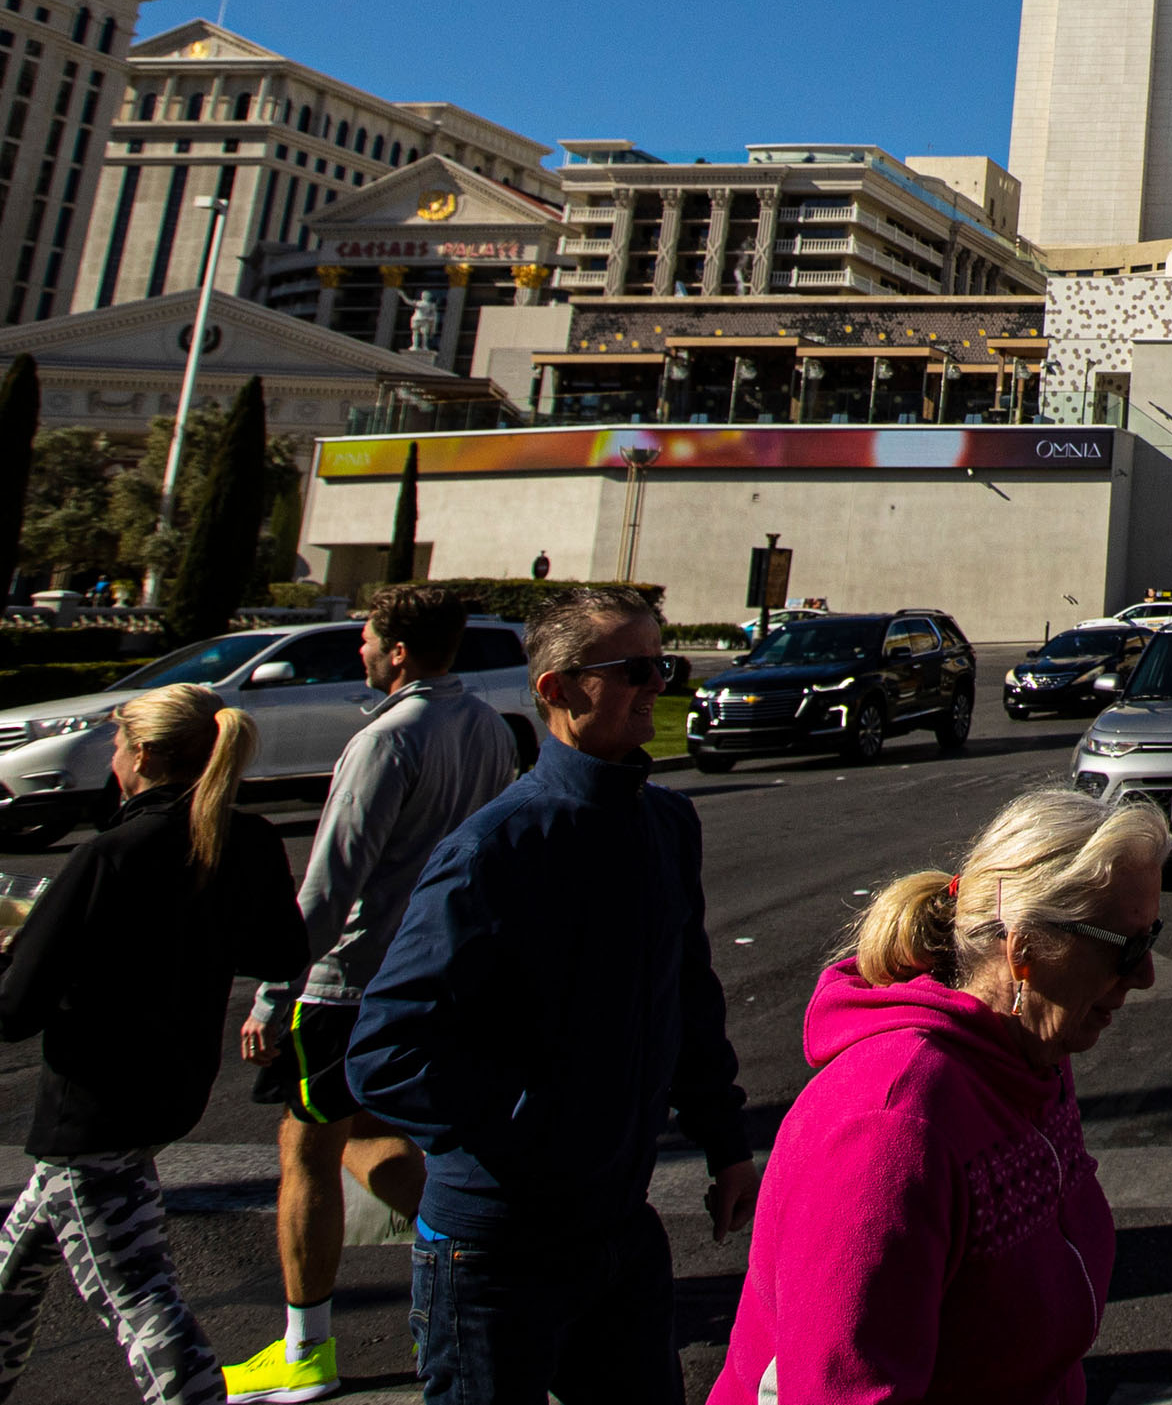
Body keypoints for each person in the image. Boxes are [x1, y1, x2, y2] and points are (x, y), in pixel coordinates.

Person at [350, 586, 759, 1405]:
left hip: (619, 1230)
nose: (659, 683)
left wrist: (725, 1140)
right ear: (557, 690)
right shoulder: (494, 848)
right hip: (499, 1250)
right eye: (635, 668)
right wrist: (529, 1126)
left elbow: (689, 995)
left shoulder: (666, 823)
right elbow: (385, 1053)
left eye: (664, 663)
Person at [713, 791, 1171, 1405]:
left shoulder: (1030, 1056)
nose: (1146, 976)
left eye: (1151, 936)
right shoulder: (890, 1126)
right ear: (1025, 951)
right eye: (1128, 947)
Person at [226, 582, 522, 1404]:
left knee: (309, 1149)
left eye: (364, 639)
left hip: (351, 981)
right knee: (375, 1135)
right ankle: (500, 1263)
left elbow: (330, 882)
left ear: (395, 651)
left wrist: (271, 990)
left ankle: (306, 1346)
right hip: (437, 972)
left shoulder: (386, 740)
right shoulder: (490, 730)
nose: (357, 651)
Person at [0, 685, 306, 1404]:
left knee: (141, 1300)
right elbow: (281, 946)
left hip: (92, 1104)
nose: (113, 759)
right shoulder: (248, 838)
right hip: (169, 1087)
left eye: (116, 746)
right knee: (14, 1271)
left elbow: (16, 1008)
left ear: (140, 754)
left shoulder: (113, 852)